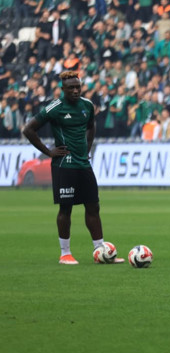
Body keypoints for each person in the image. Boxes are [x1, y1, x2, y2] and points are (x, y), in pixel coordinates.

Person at [22, 71, 123, 265]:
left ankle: (100, 251)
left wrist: (88, 147)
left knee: (93, 206)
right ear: (63, 90)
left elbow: (91, 126)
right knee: (66, 209)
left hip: (83, 164)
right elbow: (28, 129)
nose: (76, 90)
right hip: (64, 165)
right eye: (71, 88)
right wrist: (49, 151)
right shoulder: (55, 107)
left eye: (78, 87)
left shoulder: (87, 105)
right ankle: (65, 253)